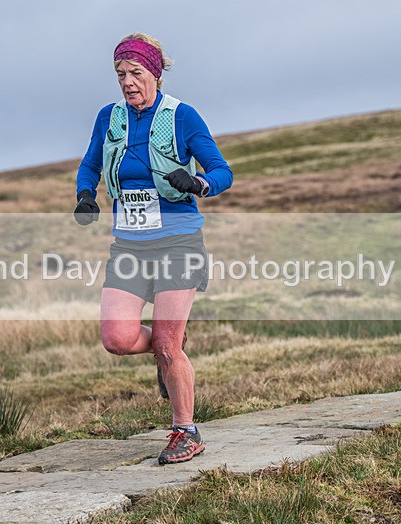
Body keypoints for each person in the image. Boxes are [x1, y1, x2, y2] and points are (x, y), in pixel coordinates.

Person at [74, 33, 232, 464]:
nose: (127, 82)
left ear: (154, 74)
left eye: (135, 73)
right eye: (120, 74)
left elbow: (222, 170)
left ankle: (186, 430)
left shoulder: (182, 116)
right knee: (117, 338)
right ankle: (172, 346)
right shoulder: (109, 117)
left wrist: (199, 182)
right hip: (129, 244)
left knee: (165, 342)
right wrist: (86, 194)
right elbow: (90, 163)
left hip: (179, 241)